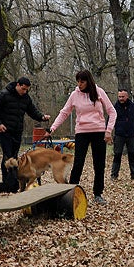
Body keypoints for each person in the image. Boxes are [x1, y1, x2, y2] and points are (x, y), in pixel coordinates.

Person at [48, 70, 117, 205]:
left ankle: (98, 193)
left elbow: (112, 111)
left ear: (88, 81)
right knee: (78, 162)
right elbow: (64, 112)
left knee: (99, 164)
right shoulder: (74, 95)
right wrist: (52, 128)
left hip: (99, 132)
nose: (79, 84)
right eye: (78, 81)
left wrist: (108, 131)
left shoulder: (99, 92)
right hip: (82, 132)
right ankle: (71, 191)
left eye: (82, 82)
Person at [0, 77, 51, 192]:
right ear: (17, 85)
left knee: (15, 156)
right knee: (8, 157)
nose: (24, 91)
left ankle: (10, 183)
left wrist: (42, 117)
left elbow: (32, 110)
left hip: (17, 131)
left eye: (26, 90)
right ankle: (10, 185)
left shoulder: (25, 98)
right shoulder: (3, 95)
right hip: (4, 130)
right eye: (23, 89)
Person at [110, 89, 134, 181]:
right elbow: (110, 119)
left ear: (127, 96)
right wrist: (108, 132)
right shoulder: (114, 107)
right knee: (117, 155)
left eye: (123, 96)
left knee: (132, 154)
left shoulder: (133, 106)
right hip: (119, 135)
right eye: (119, 97)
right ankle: (114, 175)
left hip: (131, 135)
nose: (121, 98)